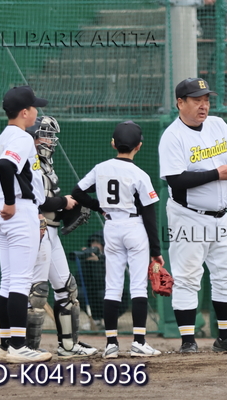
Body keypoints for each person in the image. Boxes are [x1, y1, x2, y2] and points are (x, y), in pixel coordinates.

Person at [158, 77, 227, 353]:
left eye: (206, 100)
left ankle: (226, 337)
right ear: (180, 103)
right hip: (188, 216)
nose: (203, 105)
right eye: (196, 100)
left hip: (220, 216)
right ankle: (188, 341)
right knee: (187, 276)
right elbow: (175, 180)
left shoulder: (217, 124)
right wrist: (216, 174)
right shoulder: (173, 136)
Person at [72, 121, 164, 358]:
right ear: (139, 146)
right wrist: (156, 251)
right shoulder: (140, 174)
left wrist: (98, 206)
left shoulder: (100, 168)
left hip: (111, 227)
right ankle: (139, 342)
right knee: (138, 286)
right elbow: (149, 214)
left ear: (113, 143)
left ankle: (111, 344)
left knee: (112, 287)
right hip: (134, 227)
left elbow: (77, 192)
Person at [24, 116, 98, 358]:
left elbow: (49, 201)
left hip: (51, 230)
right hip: (37, 229)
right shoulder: (28, 161)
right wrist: (63, 202)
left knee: (67, 288)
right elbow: (38, 201)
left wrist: (64, 208)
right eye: (46, 135)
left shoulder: (46, 163)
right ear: (33, 137)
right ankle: (28, 348)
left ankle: (68, 345)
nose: (50, 140)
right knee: (37, 291)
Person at [0, 86, 52, 363]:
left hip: (3, 213)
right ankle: (18, 345)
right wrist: (10, 202)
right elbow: (7, 165)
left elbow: (5, 165)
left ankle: (6, 344)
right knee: (20, 280)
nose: (37, 111)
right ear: (25, 112)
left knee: (7, 281)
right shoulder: (22, 137)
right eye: (34, 107)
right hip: (18, 209)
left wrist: (6, 202)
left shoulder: (2, 137)